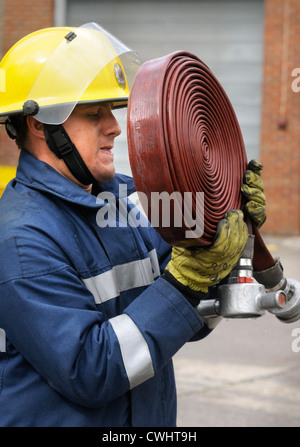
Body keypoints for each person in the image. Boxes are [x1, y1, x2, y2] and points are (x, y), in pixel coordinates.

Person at [0, 23, 266, 427]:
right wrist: (185, 282)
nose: (115, 126)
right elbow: (93, 370)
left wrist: (226, 230)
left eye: (111, 110)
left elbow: (179, 315)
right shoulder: (21, 241)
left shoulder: (126, 200)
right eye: (94, 114)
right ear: (41, 126)